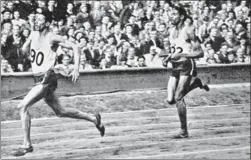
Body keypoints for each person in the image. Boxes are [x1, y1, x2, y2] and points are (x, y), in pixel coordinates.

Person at [12, 8, 105, 157]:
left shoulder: (52, 37)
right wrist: (21, 48)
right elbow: (24, 50)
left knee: (22, 106)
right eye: (36, 19)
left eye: (41, 19)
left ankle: (27, 145)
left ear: (47, 23)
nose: (37, 21)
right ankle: (94, 119)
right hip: (39, 78)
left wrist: (76, 69)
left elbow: (75, 47)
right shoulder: (33, 34)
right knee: (61, 112)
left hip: (47, 79)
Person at [163, 5, 209, 139]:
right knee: (170, 100)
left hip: (187, 66)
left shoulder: (188, 30)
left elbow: (200, 53)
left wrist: (184, 55)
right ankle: (196, 83)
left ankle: (184, 131)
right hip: (175, 67)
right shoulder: (172, 31)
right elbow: (176, 50)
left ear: (181, 16)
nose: (171, 17)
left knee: (178, 98)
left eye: (174, 15)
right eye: (170, 14)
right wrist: (167, 58)